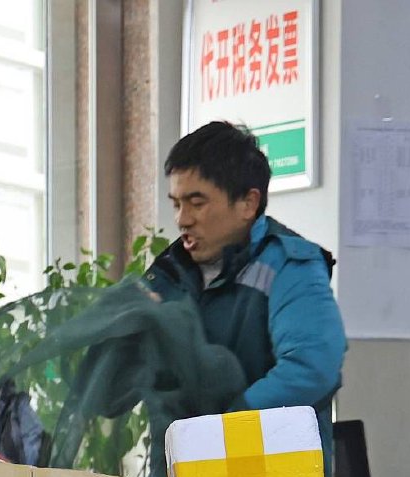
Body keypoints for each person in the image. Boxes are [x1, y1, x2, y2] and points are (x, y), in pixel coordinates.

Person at [146, 120, 346, 458]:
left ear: (248, 204)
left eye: (197, 202)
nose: (183, 219)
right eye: (177, 204)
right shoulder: (168, 271)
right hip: (179, 473)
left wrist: (225, 427)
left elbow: (311, 367)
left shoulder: (289, 265)